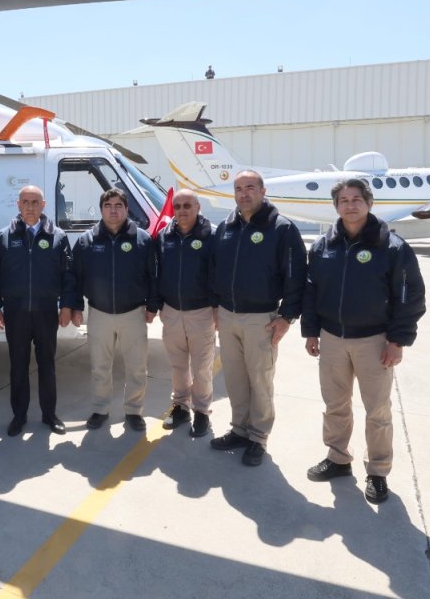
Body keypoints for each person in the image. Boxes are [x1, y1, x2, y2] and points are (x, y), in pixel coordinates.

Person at [302, 178, 426, 504]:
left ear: (369, 203)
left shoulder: (392, 247)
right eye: (343, 200)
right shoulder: (323, 246)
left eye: (356, 199)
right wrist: (311, 331)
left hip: (374, 341)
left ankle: (378, 471)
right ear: (336, 207)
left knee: (378, 410)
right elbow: (311, 290)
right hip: (332, 339)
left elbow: (410, 296)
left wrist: (397, 340)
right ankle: (338, 458)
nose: (350, 205)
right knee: (335, 405)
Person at [210, 170, 306, 467]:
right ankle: (239, 430)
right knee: (235, 379)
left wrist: (287, 316)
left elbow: (296, 276)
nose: (244, 193)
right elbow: (214, 269)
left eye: (250, 187)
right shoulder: (226, 227)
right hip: (227, 316)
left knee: (260, 381)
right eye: (238, 188)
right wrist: (215, 306)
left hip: (261, 318)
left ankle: (258, 437)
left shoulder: (281, 228)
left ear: (263, 191)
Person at [70, 188, 160, 432]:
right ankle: (100, 409)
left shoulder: (142, 240)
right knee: (100, 367)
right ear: (101, 210)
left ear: (126, 209)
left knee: (137, 367)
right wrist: (76, 306)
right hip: (99, 313)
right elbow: (75, 277)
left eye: (118, 205)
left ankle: (134, 411)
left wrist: (153, 306)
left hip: (133, 313)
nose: (113, 210)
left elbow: (153, 276)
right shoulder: (87, 241)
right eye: (108, 205)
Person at [0, 186, 76, 437]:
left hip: (46, 312)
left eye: (35, 202)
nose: (30, 206)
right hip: (15, 313)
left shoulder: (58, 236)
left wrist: (66, 305)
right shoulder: (3, 237)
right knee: (18, 366)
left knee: (47, 365)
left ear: (43, 205)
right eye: (25, 202)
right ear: (18, 204)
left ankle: (49, 415)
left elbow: (68, 275)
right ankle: (19, 416)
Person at [155, 189, 217, 438]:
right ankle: (181, 407)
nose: (182, 210)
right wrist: (159, 305)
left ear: (198, 207)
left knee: (202, 368)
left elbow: (217, 274)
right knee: (178, 365)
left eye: (187, 205)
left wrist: (216, 307)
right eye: (178, 206)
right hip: (171, 310)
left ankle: (201, 412)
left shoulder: (211, 236)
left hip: (201, 312)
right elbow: (157, 272)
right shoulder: (164, 236)